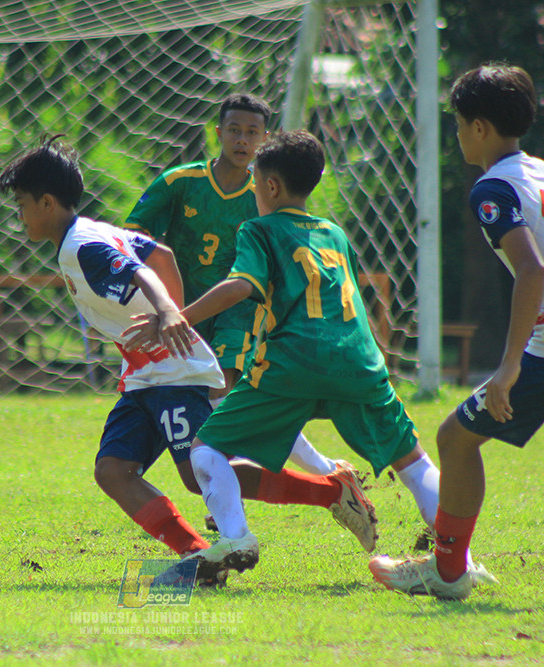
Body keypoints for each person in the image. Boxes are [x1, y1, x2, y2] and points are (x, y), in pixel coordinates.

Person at [0, 136, 377, 583]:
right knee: (113, 471)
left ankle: (329, 490)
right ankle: (198, 554)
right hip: (144, 374)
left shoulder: (82, 246)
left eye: (21, 204)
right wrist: (172, 321)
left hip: (173, 370)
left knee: (199, 474)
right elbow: (163, 255)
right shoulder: (91, 233)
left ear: (45, 202)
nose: (18, 215)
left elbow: (141, 271)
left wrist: (170, 316)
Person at [368, 63, 544, 600]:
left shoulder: (492, 189)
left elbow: (533, 271)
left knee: (455, 439)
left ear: (479, 127)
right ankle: (449, 568)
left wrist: (508, 366)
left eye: (457, 123)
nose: (456, 134)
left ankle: (448, 572)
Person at [125, 130, 440, 577]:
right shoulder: (334, 232)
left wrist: (179, 317)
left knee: (207, 449)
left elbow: (241, 286)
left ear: (270, 186)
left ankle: (235, 538)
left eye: (256, 182)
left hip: (294, 362)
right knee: (414, 463)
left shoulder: (258, 228)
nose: (253, 189)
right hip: (360, 362)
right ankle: (457, 560)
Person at [125, 93, 346, 492]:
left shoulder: (266, 194)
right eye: (234, 130)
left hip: (240, 310)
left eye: (252, 133)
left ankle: (228, 497)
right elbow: (134, 237)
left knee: (220, 390)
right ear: (218, 133)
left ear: (265, 138)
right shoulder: (180, 183)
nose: (243, 140)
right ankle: (325, 468)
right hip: (182, 307)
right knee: (224, 406)